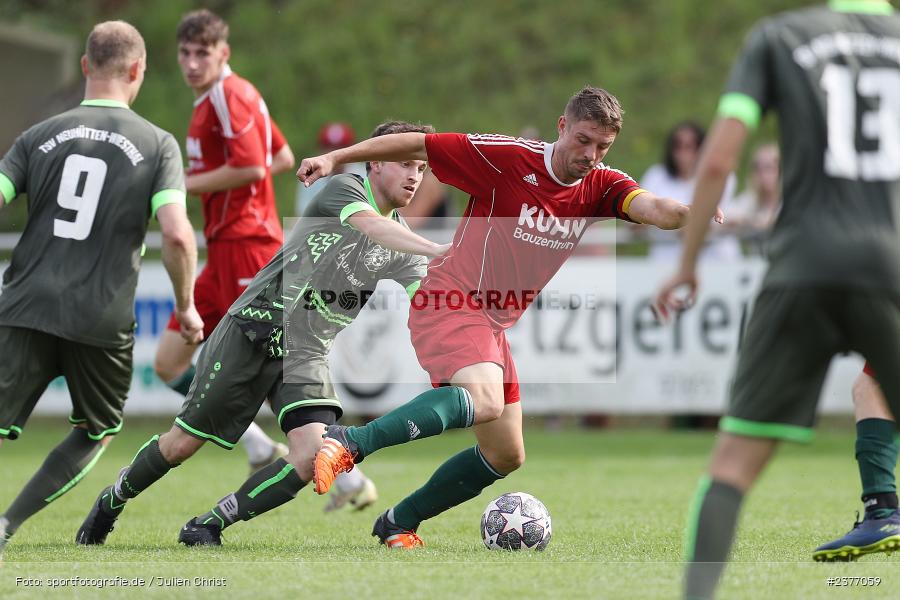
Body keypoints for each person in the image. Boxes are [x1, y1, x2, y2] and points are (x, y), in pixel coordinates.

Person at [304, 86, 724, 548]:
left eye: (602, 146)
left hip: (491, 323)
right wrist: (336, 158)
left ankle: (398, 523)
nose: (590, 154)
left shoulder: (601, 185)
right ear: (561, 127)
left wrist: (690, 212)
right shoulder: (505, 156)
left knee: (505, 454)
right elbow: (414, 145)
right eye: (583, 140)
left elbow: (654, 208)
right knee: (483, 400)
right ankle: (351, 441)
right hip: (451, 298)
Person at [75, 120, 447, 546]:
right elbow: (373, 227)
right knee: (181, 446)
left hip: (306, 352)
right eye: (405, 164)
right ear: (375, 163)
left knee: (311, 458)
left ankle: (208, 525)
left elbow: (427, 300)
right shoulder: (346, 191)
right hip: (255, 328)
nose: (415, 177)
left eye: (421, 168)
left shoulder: (405, 244)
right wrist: (440, 248)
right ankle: (112, 500)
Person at [653, 1, 900, 597]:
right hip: (889, 270)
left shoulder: (780, 36)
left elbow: (718, 158)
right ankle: (882, 508)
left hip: (800, 269)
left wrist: (687, 263)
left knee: (732, 466)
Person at [0, 21, 202, 557]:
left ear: (86, 66)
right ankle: (6, 525)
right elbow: (179, 236)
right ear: (137, 70)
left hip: (23, 304)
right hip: (101, 316)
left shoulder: (37, 136)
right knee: (97, 430)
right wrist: (185, 307)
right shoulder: (157, 145)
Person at [641, 121, 739, 261]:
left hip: (715, 260)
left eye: (690, 146)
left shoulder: (722, 177)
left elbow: (715, 221)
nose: (683, 153)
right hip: (666, 260)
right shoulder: (656, 176)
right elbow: (639, 218)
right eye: (678, 146)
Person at [294, 122, 366, 216]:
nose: (334, 152)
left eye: (340, 148)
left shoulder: (364, 175)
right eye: (329, 147)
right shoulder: (309, 177)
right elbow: (302, 214)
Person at [726, 144, 781, 256]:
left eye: (769, 168)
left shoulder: (791, 200)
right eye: (758, 169)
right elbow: (726, 217)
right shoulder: (748, 200)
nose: (763, 175)